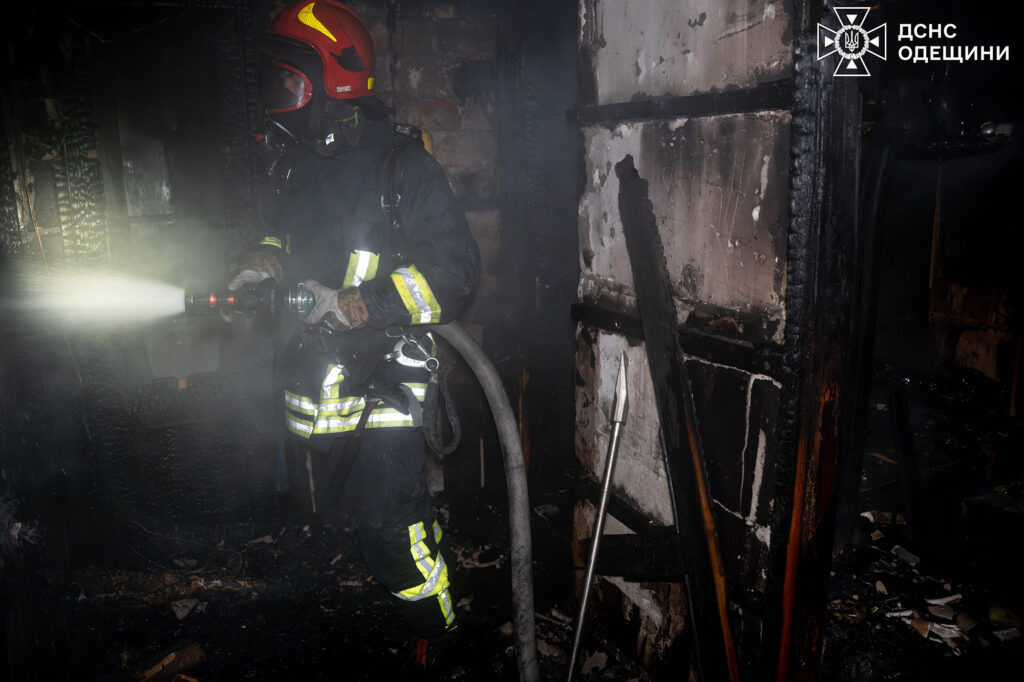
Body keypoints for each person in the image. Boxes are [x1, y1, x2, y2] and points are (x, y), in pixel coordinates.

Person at [227, 0, 479, 651]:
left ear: (333, 80)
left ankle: (445, 640)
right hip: (322, 384)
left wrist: (357, 304)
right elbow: (283, 237)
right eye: (276, 84)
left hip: (387, 382)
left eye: (290, 84)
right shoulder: (296, 164)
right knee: (349, 530)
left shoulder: (403, 166)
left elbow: (453, 277)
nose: (279, 101)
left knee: (393, 537)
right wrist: (263, 262)